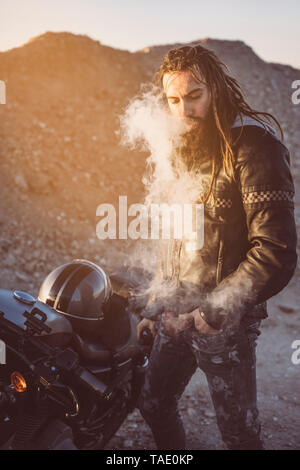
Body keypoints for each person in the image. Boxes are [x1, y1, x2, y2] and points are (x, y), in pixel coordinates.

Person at [136, 45, 297, 450]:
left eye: (194, 96)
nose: (184, 110)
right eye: (174, 100)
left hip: (224, 324)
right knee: (153, 404)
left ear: (216, 91)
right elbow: (173, 236)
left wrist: (217, 309)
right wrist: (155, 306)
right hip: (175, 314)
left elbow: (275, 249)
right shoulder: (181, 149)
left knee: (239, 435)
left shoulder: (254, 146)